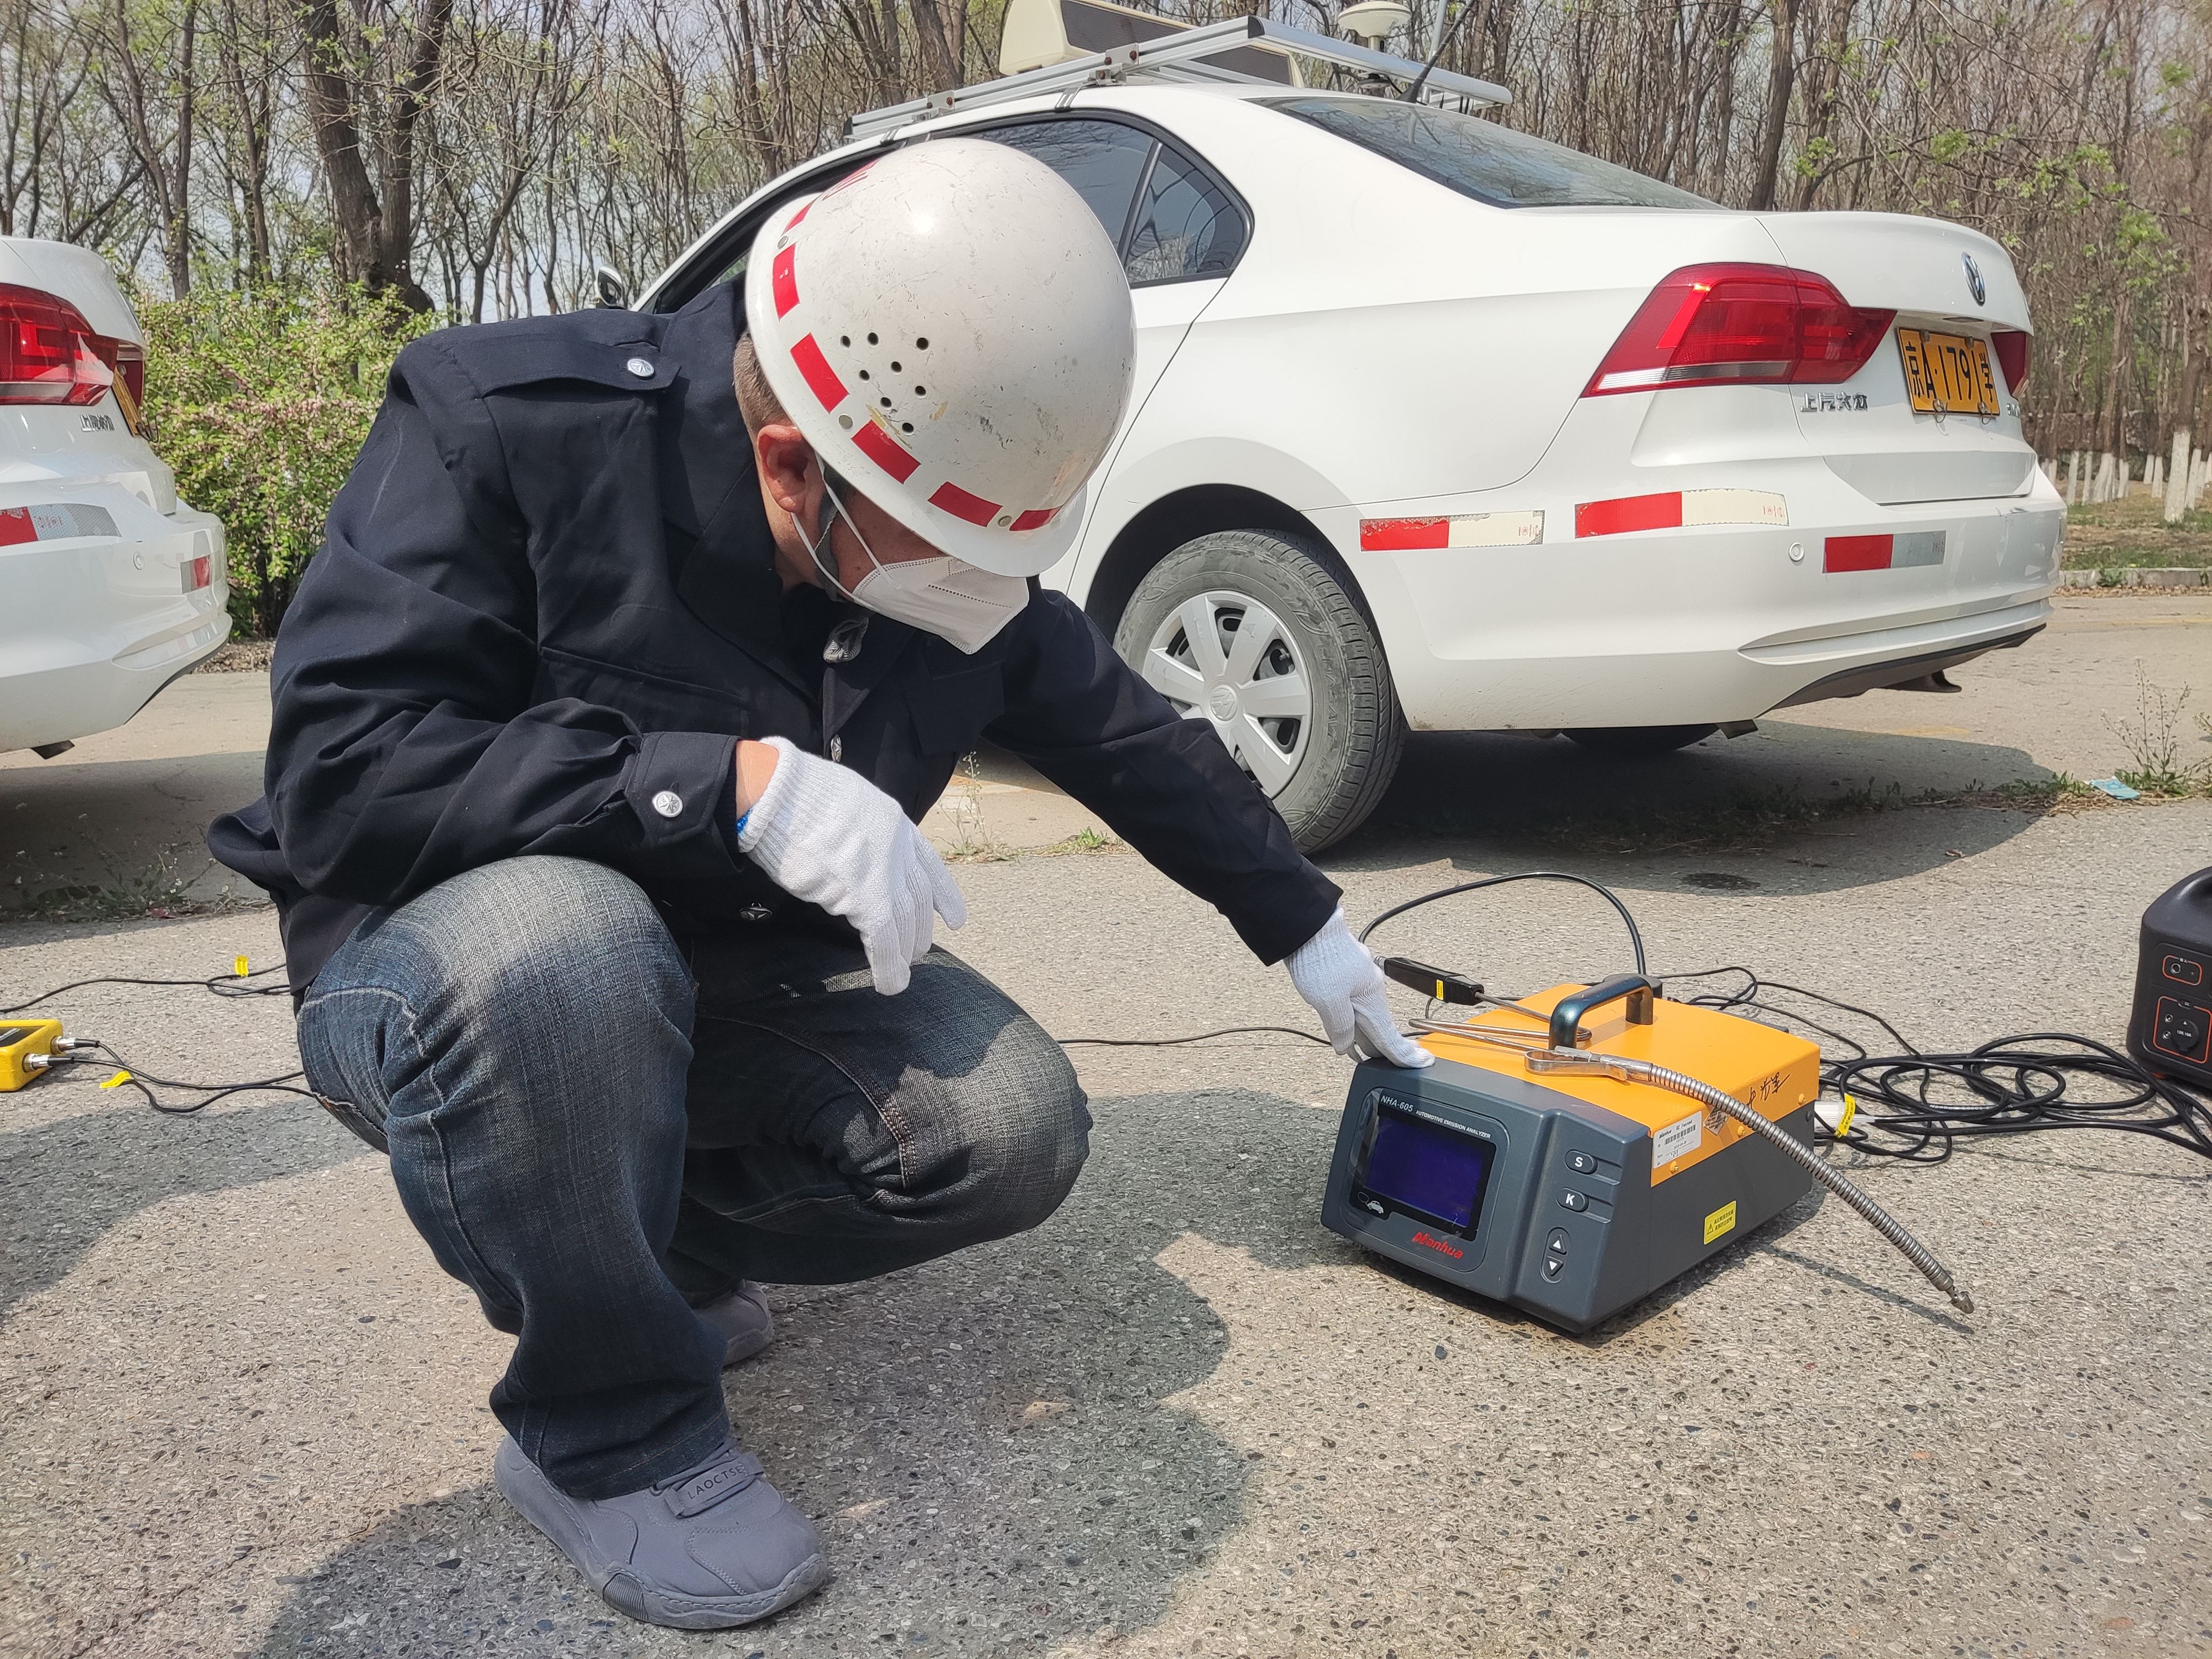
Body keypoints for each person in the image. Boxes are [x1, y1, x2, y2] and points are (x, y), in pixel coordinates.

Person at [208, 138, 1428, 1632]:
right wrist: (712, 783)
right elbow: (348, 777)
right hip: (445, 977)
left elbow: (1125, 731)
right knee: (564, 943)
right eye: (945, 558)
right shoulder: (509, 430)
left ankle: (635, 1244)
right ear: (793, 464)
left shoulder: (931, 533)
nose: (975, 601)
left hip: (714, 987)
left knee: (1008, 1126)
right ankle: (606, 1428)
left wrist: (1305, 926)